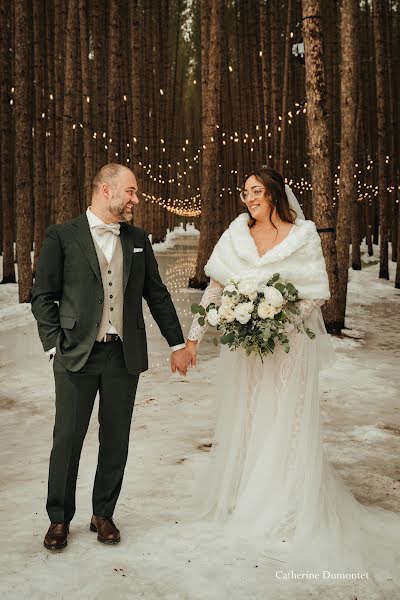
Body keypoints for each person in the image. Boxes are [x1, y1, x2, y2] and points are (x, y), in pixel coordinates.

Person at [185, 165, 400, 582]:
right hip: (249, 350)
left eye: (256, 191)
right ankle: (247, 493)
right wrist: (194, 338)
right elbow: (214, 288)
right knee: (249, 415)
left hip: (289, 347)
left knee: (285, 417)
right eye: (245, 192)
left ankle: (286, 500)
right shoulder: (235, 234)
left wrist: (276, 320)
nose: (249, 198)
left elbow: (317, 294)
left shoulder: (301, 237)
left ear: (273, 194)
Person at [31, 163, 191, 551]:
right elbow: (43, 296)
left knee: (115, 438)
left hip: (123, 355)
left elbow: (156, 293)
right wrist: (55, 344)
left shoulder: (137, 238)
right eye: (131, 191)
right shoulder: (62, 236)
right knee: (67, 438)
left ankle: (103, 513)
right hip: (76, 355)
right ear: (106, 190)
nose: (136, 199)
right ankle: (58, 518)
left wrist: (177, 343)